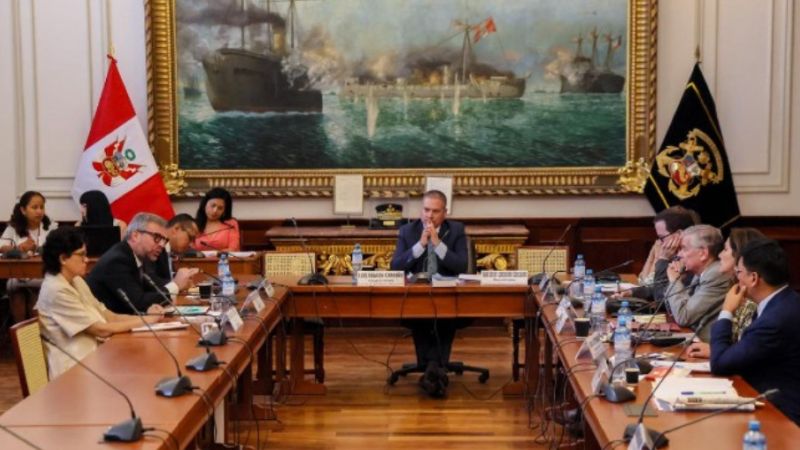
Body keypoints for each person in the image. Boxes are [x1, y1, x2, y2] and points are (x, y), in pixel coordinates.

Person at [37, 227, 164, 379]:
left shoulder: (76, 281)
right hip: (74, 370)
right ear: (63, 258)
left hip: (96, 357)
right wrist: (147, 321)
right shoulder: (56, 290)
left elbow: (108, 316)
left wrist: (146, 318)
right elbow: (100, 330)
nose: (87, 260)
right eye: (81, 255)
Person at [706, 238, 800, 425]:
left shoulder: (775, 319)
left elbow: (720, 364)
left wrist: (726, 311)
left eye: (739, 272)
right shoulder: (785, 301)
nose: (736, 278)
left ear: (754, 278)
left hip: (782, 415)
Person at [390, 190, 469, 397]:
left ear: (445, 212)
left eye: (435, 211)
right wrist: (420, 245)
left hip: (448, 297)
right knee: (421, 316)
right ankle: (435, 370)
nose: (429, 216)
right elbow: (395, 266)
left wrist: (438, 244)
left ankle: (431, 370)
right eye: (426, 210)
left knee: (445, 317)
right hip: (416, 297)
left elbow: (461, 265)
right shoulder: (408, 231)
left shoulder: (456, 230)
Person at [87, 213, 198, 314]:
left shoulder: (139, 257)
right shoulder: (117, 261)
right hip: (108, 325)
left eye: (164, 240)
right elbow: (138, 302)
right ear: (135, 235)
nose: (162, 245)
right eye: (157, 238)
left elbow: (150, 291)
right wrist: (176, 285)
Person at [687, 227, 765, 358]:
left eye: (725, 249)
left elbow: (748, 352)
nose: (719, 255)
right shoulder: (736, 290)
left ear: (739, 256)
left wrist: (717, 351)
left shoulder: (754, 300)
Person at [665, 224, 731, 342]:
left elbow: (683, 317)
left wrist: (675, 281)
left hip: (708, 345)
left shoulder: (716, 274)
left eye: (684, 248)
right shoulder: (700, 272)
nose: (679, 255)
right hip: (694, 338)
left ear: (703, 253)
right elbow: (673, 310)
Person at [624, 206, 698, 301]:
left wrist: (663, 259)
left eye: (662, 238)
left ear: (678, 234)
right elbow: (662, 288)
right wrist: (633, 292)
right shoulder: (676, 256)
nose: (661, 243)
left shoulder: (693, 260)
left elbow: (661, 297)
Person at [1, 191, 54, 322]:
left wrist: (39, 249)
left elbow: (57, 250)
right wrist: (19, 248)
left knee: (32, 291)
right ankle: (21, 331)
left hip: (43, 276)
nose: (39, 211)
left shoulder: (50, 227)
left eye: (41, 207)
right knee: (16, 290)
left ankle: (34, 332)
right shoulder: (13, 228)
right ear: (23, 210)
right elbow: (1, 246)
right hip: (18, 277)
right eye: (34, 207)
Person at [146, 213, 199, 287]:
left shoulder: (169, 251)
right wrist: (176, 283)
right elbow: (150, 281)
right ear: (176, 229)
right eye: (190, 238)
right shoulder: (153, 247)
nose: (191, 245)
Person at [193, 187, 240, 252]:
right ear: (204, 204)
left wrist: (214, 254)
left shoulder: (231, 223)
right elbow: (190, 251)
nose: (215, 211)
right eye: (213, 205)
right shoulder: (194, 224)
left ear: (224, 210)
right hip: (198, 259)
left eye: (220, 208)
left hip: (224, 258)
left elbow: (233, 249)